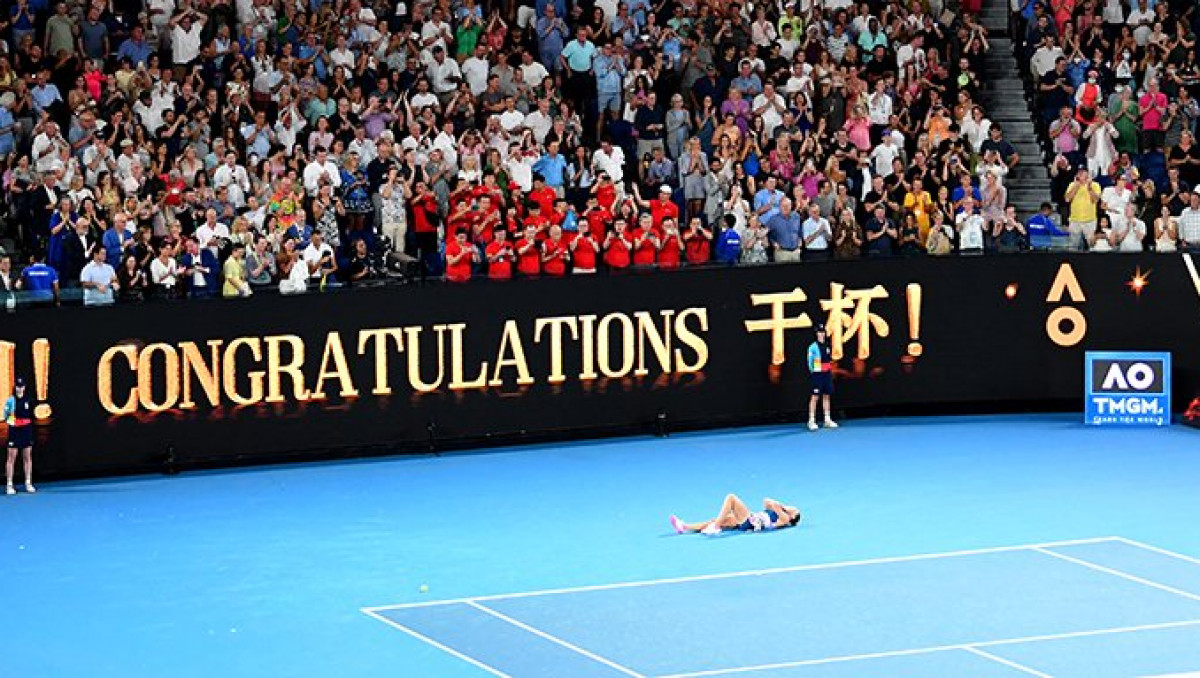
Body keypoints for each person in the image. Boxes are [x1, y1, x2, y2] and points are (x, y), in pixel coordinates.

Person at [669, 494, 802, 535]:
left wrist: (784, 508)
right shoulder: (781, 511)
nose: (793, 507)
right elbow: (766, 500)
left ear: (792, 517)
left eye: (795, 510)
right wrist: (784, 506)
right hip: (749, 520)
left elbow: (773, 505)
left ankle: (715, 528)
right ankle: (684, 527)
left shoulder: (784, 520)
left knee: (731, 498)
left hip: (750, 522)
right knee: (717, 519)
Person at [3, 377, 35, 494]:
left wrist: (24, 424)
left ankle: (28, 482)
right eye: (18, 386)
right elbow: (6, 416)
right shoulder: (10, 401)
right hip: (14, 431)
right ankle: (9, 484)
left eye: (21, 386)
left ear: (24, 387)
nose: (19, 388)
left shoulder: (29, 400)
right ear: (15, 387)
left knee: (27, 457)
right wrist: (14, 423)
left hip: (26, 431)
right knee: (11, 458)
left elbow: (31, 415)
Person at [807, 324, 837, 431]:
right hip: (817, 374)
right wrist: (815, 372)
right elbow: (809, 362)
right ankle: (811, 420)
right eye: (819, 332)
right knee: (815, 397)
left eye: (823, 332)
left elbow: (829, 360)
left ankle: (827, 419)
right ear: (816, 334)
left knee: (826, 396)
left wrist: (828, 371)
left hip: (827, 374)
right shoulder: (812, 347)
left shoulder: (828, 346)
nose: (821, 334)